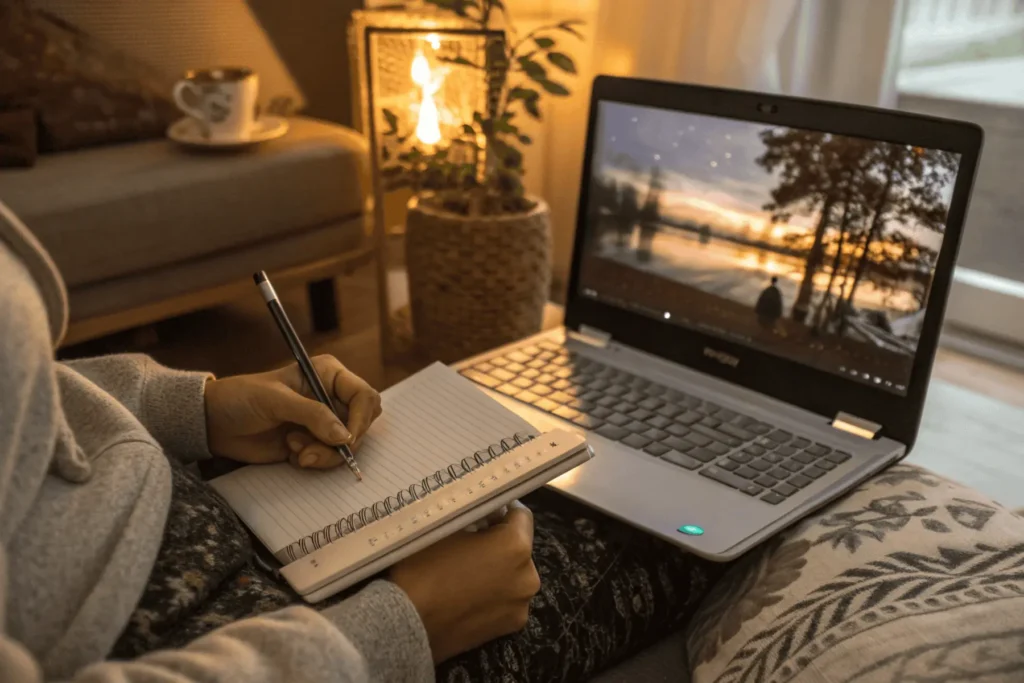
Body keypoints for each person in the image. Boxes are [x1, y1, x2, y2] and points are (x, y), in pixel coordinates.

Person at [0, 201, 723, 683]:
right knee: (676, 534)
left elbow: (35, 391)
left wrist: (195, 407)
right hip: (217, 640)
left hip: (170, 486)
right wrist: (394, 634)